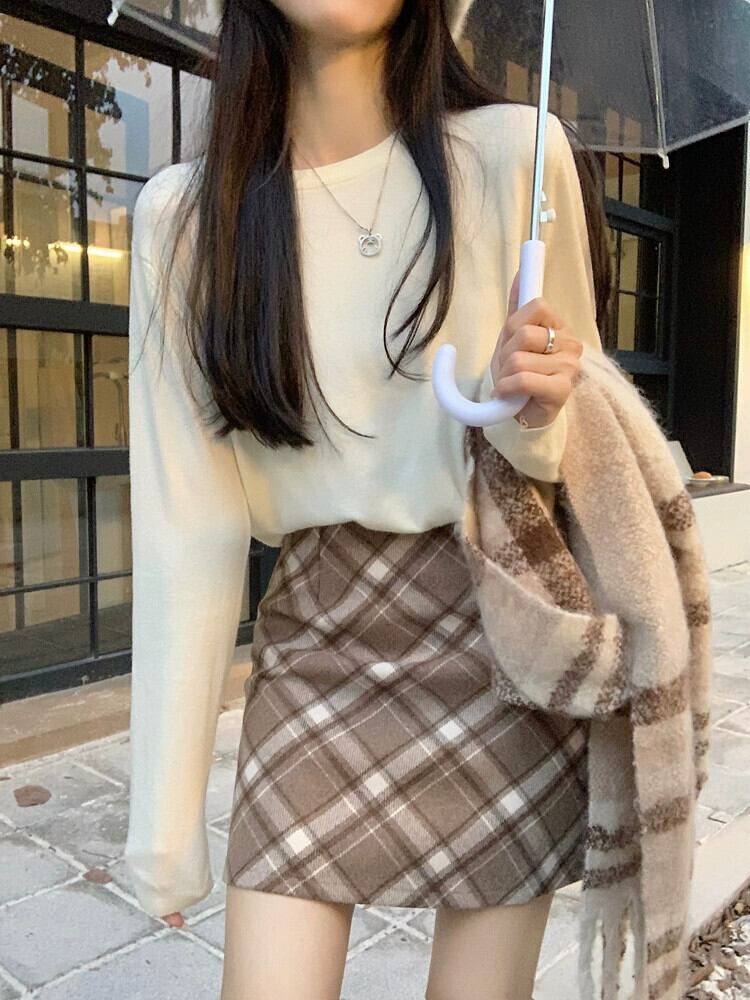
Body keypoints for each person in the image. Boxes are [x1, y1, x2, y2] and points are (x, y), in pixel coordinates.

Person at [124, 1, 613, 998]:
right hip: (316, 644)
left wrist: (530, 409)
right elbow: (189, 527)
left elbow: (583, 456)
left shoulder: (518, 156)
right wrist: (164, 831)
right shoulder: (185, 218)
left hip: (501, 639)